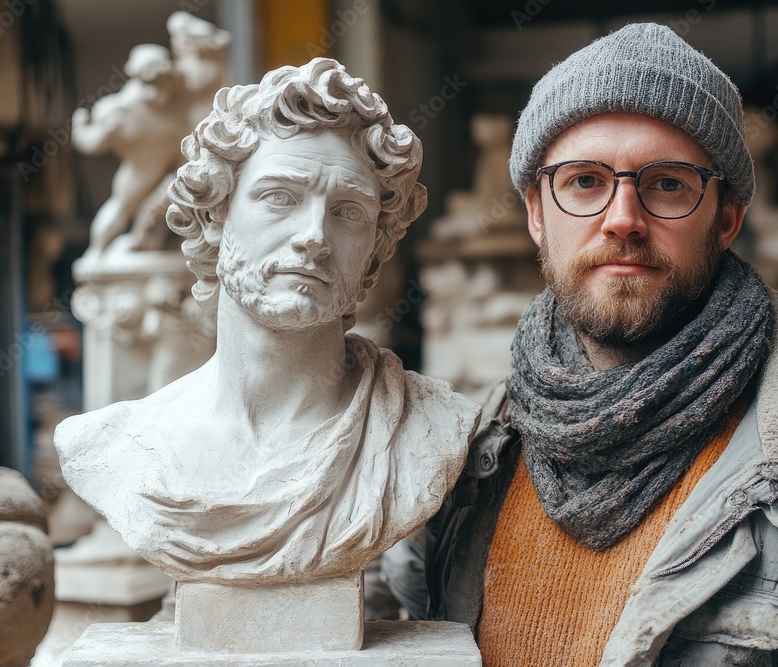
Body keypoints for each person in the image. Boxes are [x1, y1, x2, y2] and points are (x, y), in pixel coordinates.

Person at [386, 22, 778, 666]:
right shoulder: (457, 466)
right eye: (584, 181)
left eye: (667, 184)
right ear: (534, 213)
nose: (623, 219)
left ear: (726, 218)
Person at [56, 58, 479, 586]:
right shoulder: (114, 444)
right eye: (279, 197)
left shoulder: (430, 430)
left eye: (348, 210)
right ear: (216, 215)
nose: (314, 236)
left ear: (376, 247)